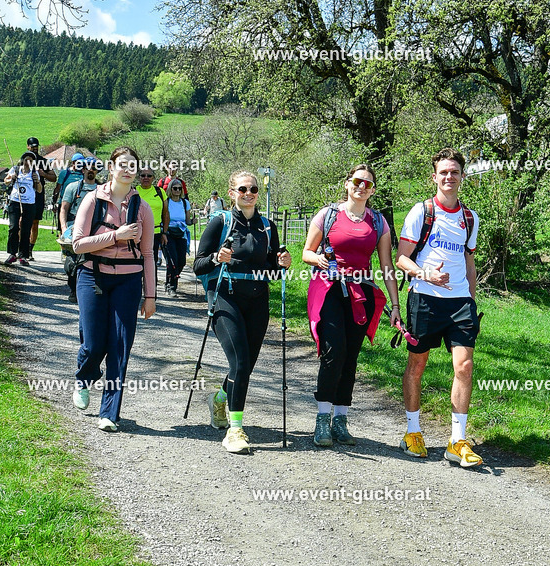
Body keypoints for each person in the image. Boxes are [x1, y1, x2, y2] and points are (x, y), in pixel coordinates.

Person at [193, 170, 291, 454]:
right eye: (243, 189)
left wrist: (282, 264)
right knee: (239, 363)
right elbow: (198, 265)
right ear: (231, 193)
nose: (249, 194)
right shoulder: (219, 222)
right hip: (225, 296)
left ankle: (220, 398)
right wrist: (215, 258)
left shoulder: (267, 226)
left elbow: (271, 272)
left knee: (245, 366)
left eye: (253, 189)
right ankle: (235, 430)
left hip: (258, 300)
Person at [302, 163, 401, 447]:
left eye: (367, 184)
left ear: (372, 190)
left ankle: (341, 422)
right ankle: (322, 420)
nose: (361, 187)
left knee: (350, 358)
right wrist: (317, 259)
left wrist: (395, 306)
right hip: (330, 288)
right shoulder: (328, 215)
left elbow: (386, 266)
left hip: (362, 293)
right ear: (347, 184)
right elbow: (307, 252)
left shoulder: (379, 222)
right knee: (334, 352)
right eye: (357, 182)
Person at [395, 147, 482, 467]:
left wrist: (472, 299)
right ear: (435, 177)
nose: (449, 177)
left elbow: (469, 262)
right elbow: (401, 259)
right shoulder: (422, 212)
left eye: (454, 172)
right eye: (443, 172)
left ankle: (458, 441)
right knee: (418, 365)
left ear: (462, 177)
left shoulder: (470, 218)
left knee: (465, 367)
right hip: (425, 299)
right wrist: (425, 273)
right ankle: (413, 433)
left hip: (459, 303)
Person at [71, 146, 156, 432]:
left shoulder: (142, 207)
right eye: (122, 164)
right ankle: (84, 378)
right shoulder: (92, 200)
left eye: (133, 165)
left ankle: (109, 412)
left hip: (128, 281)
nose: (128, 169)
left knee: (120, 346)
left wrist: (150, 295)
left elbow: (147, 255)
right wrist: (115, 236)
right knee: (94, 344)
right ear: (111, 167)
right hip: (91, 276)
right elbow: (77, 244)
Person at [59, 157, 101, 301]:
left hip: (95, 228)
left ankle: (91, 290)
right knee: (72, 261)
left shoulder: (101, 190)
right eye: (88, 168)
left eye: (94, 168)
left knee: (93, 260)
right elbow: (64, 209)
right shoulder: (72, 187)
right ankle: (73, 289)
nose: (91, 170)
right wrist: (64, 228)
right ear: (82, 170)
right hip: (74, 227)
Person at [4, 151, 42, 265]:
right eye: (26, 160)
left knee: (26, 229)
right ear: (22, 160)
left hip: (29, 204)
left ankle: (23, 256)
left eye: (31, 161)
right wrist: (11, 178)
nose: (28, 162)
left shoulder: (35, 173)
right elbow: (6, 181)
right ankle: (12, 254)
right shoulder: (15, 170)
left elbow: (39, 190)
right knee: (14, 227)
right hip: (15, 201)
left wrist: (37, 181)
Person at [136, 166, 168, 289]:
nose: (146, 178)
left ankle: (151, 291)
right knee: (137, 261)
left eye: (149, 175)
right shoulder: (133, 191)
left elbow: (165, 213)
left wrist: (164, 232)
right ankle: (136, 289)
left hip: (155, 233)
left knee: (151, 263)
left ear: (153, 178)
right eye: (143, 175)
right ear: (139, 178)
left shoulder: (160, 192)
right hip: (137, 233)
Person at [26, 137, 56, 258]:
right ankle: (21, 247)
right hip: (26, 193)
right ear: (27, 146)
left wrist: (43, 174)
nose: (35, 148)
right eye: (32, 146)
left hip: (39, 193)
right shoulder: (24, 160)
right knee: (22, 222)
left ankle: (29, 249)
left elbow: (54, 178)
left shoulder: (43, 161)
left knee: (35, 222)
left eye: (36, 146)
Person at [164, 180, 194, 294]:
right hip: (169, 233)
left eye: (179, 188)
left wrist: (192, 221)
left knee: (181, 261)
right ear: (170, 189)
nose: (177, 191)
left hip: (181, 233)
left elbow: (187, 221)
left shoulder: (185, 203)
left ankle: (171, 280)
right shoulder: (166, 202)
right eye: (175, 188)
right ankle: (172, 286)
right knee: (173, 260)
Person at [52, 153, 85, 230]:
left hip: (79, 204)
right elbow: (58, 188)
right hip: (64, 203)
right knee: (62, 227)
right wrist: (54, 202)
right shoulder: (65, 173)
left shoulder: (84, 174)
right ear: (73, 163)